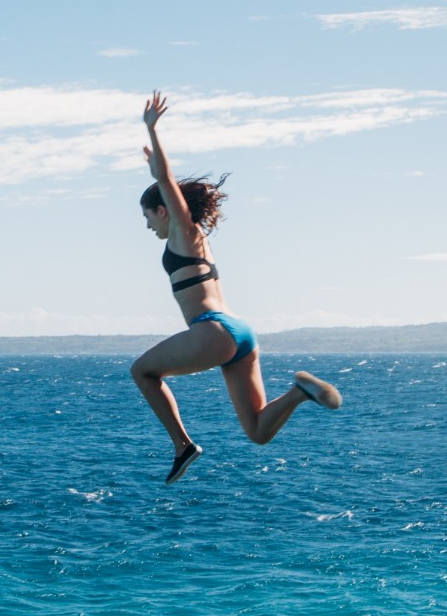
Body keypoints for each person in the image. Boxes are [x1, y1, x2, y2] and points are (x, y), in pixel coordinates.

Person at [131, 91, 342, 483]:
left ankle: (183, 445)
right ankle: (299, 392)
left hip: (214, 330)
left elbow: (164, 179)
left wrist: (153, 130)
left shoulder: (184, 232)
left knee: (142, 371)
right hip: (239, 334)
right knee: (258, 432)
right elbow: (162, 182)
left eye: (148, 217)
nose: (148, 227)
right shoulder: (196, 241)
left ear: (164, 210)